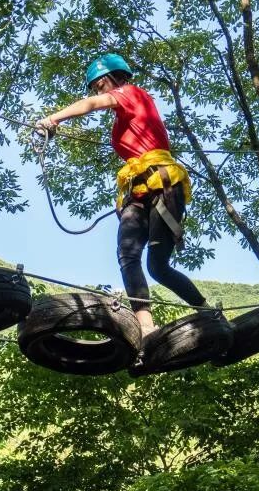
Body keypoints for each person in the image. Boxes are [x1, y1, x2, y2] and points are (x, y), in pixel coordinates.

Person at [36, 53, 207, 337]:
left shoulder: (132, 93)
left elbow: (92, 104)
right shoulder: (121, 121)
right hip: (137, 190)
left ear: (112, 79)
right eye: (95, 88)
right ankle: (146, 326)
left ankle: (206, 311)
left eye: (99, 85)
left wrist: (53, 119)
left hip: (163, 184)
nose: (97, 92)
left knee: (158, 267)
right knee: (127, 254)